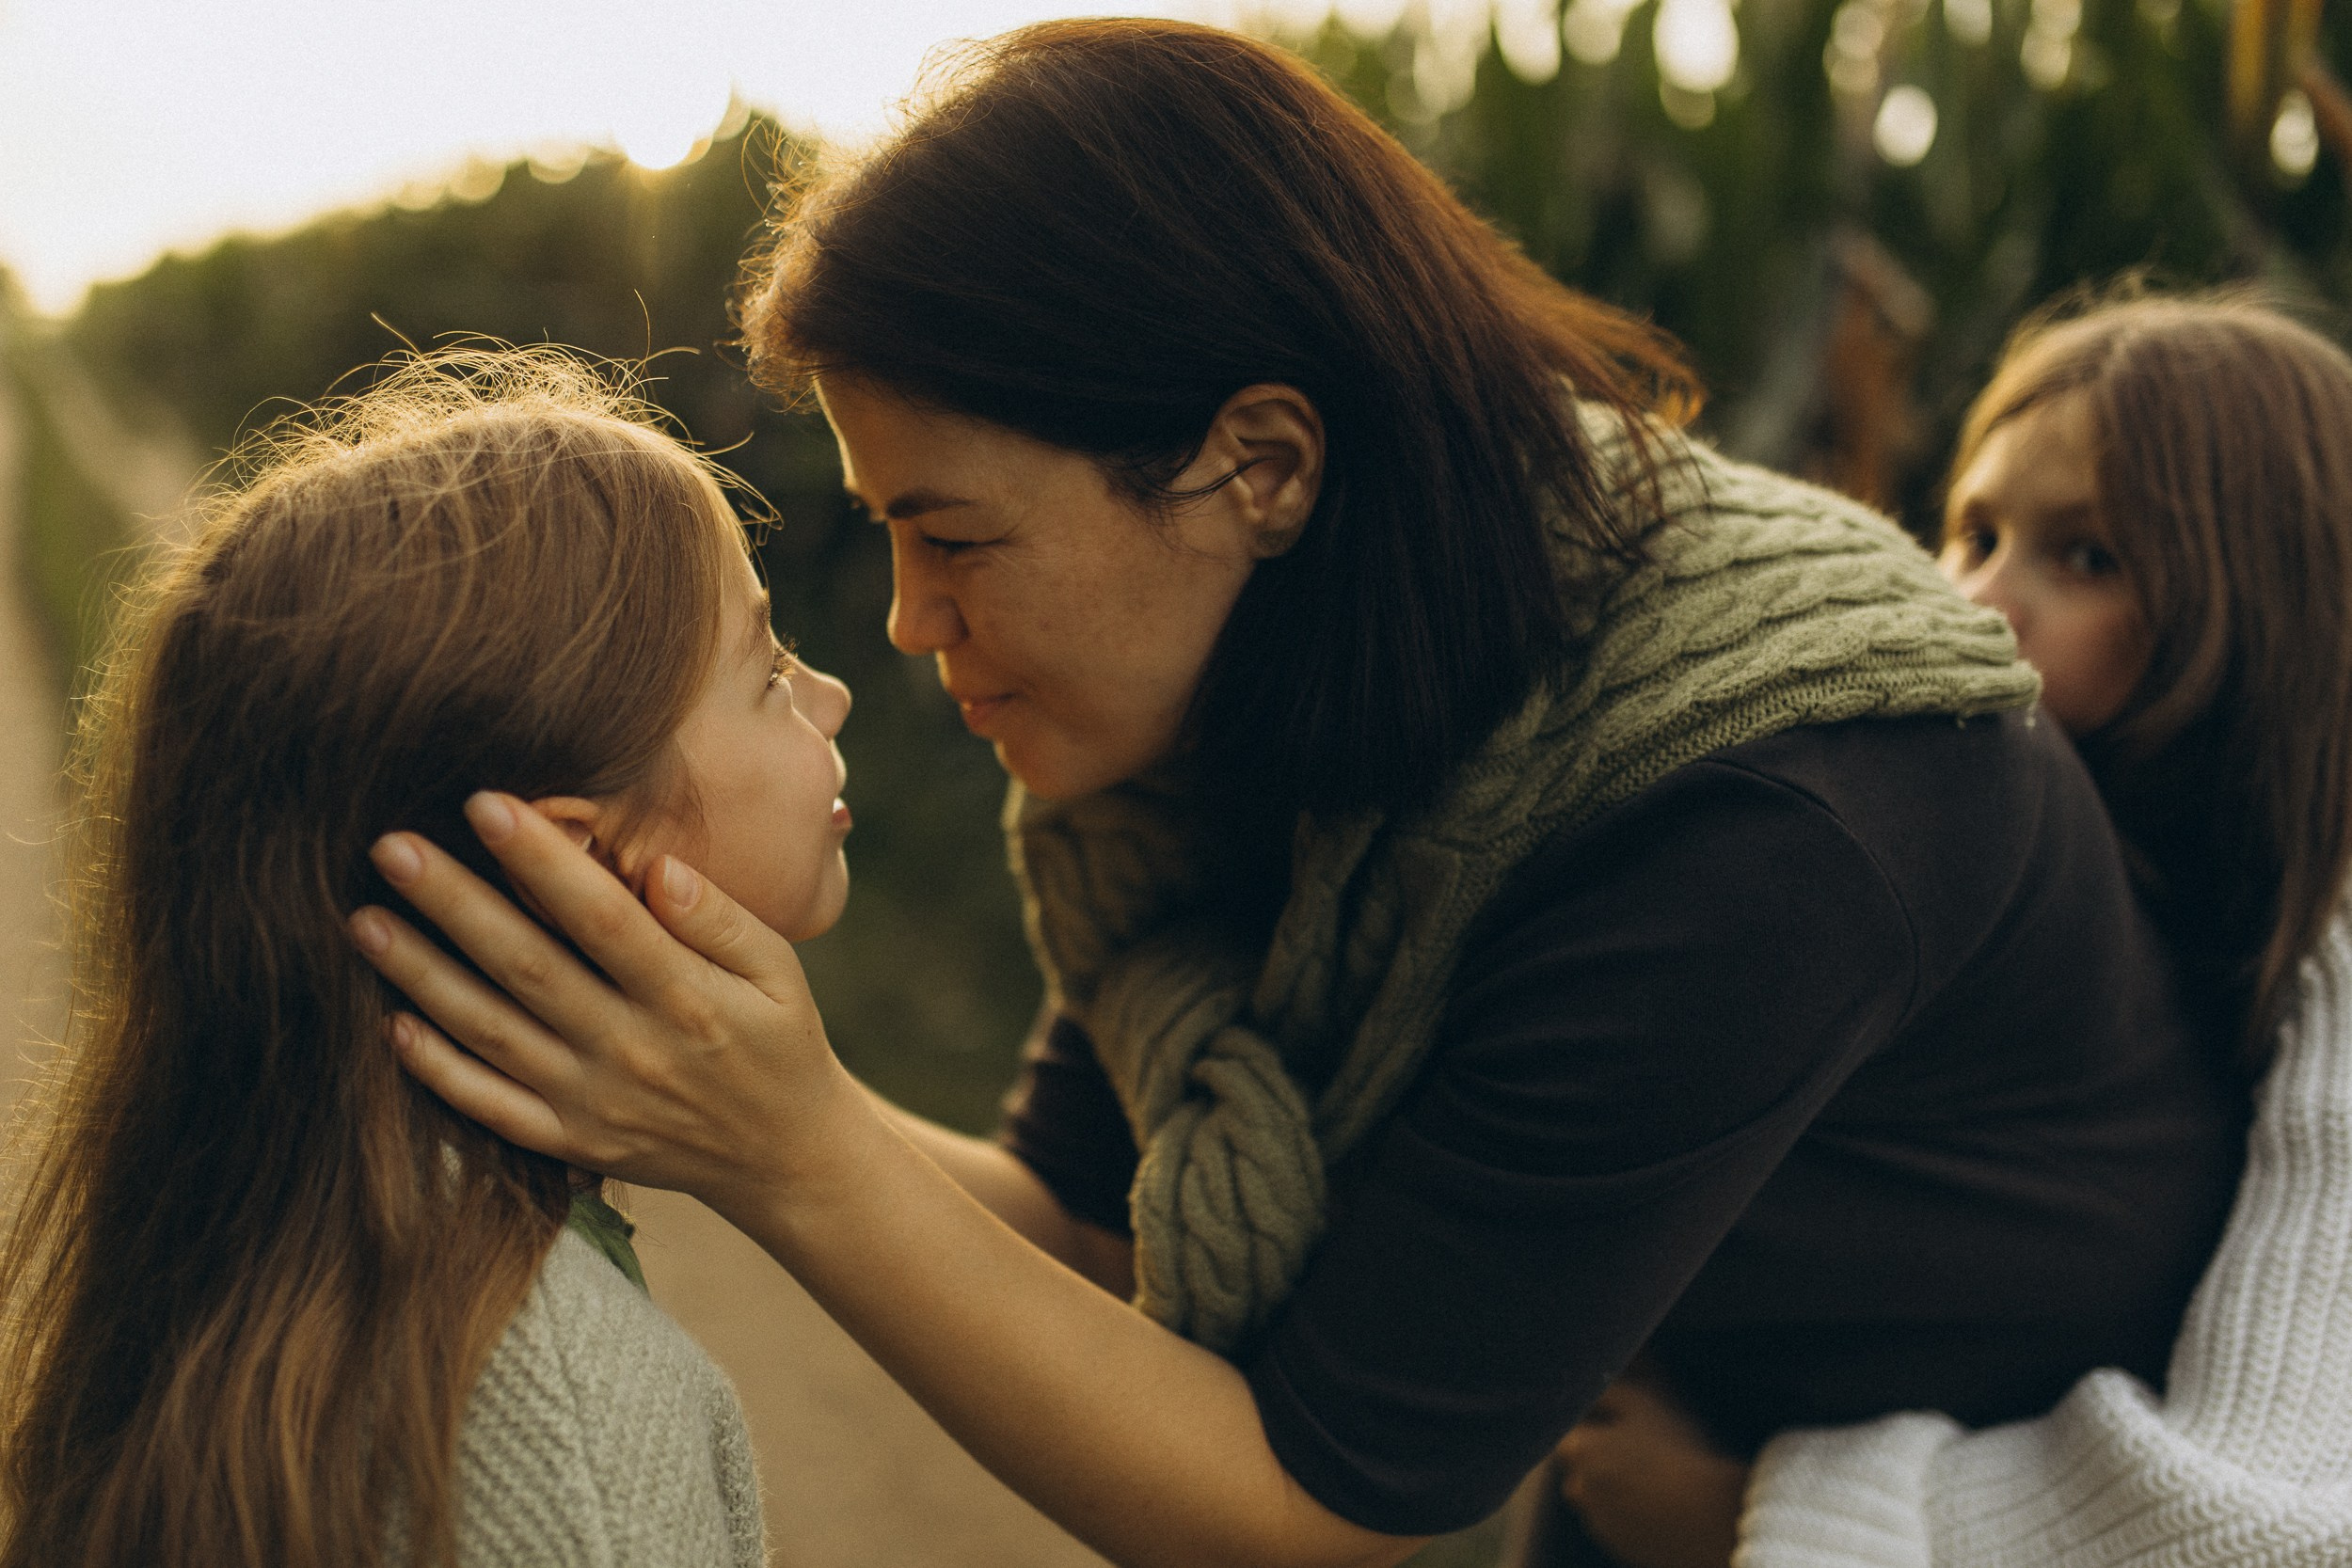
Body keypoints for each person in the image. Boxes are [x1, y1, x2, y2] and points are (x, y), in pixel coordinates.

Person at [351, 24, 2244, 1568]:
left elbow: (1308, 1503)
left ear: (1258, 466)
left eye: (958, 539)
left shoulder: (1748, 809)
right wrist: (706, 1062)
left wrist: (780, 1142)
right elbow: (1091, 1226)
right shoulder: (1284, 672)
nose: (913, 626)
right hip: (1667, 1431)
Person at [0, 351, 846, 1567]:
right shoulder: (579, 1438)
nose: (830, 696)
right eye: (766, 673)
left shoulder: (241, 1241)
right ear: (573, 862)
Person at [1554, 293, 2352, 1567]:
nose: (1976, 602)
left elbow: (2265, 1527)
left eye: (2087, 558)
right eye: (1973, 532)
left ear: (2264, 617)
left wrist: (1755, 1513)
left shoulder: (2334, 978)